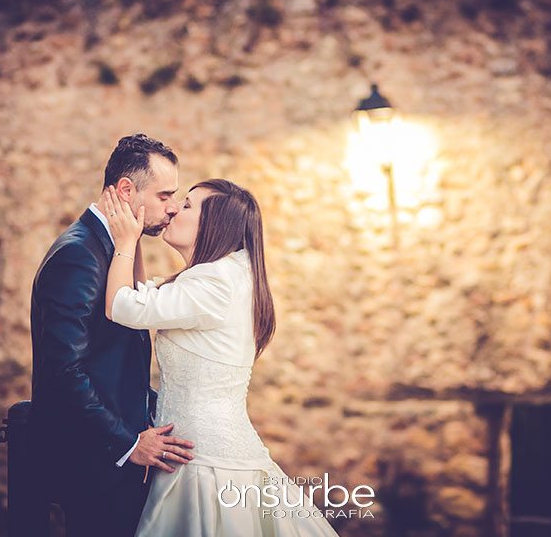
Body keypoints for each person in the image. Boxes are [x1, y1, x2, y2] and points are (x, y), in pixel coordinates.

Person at [102, 178, 340, 536]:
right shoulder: (226, 275)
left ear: (214, 225)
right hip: (209, 450)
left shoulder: (213, 281)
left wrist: (123, 241)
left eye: (186, 206)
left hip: (203, 464)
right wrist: (134, 241)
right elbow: (142, 298)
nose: (172, 210)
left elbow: (122, 305)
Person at [28, 134, 196, 536]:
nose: (173, 207)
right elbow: (63, 370)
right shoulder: (79, 255)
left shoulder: (110, 248)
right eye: (164, 195)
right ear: (125, 190)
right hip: (95, 464)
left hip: (115, 464)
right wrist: (127, 444)